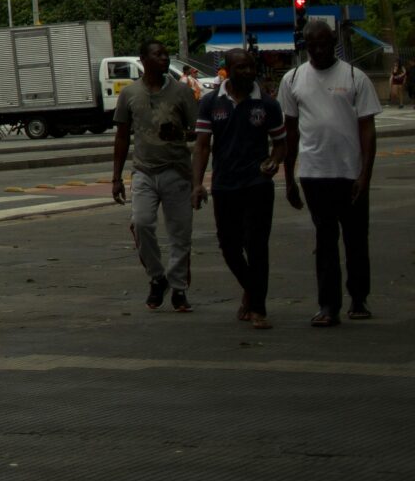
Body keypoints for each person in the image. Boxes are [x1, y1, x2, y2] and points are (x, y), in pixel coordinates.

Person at [279, 18, 381, 325]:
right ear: (305, 45)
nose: (319, 50)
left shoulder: (355, 76)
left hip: (350, 173)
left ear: (334, 42)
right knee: (324, 241)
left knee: (355, 239)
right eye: (313, 45)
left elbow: (368, 130)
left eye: (325, 44)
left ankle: (359, 297)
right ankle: (328, 305)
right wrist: (288, 179)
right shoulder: (293, 79)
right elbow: (291, 132)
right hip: (314, 173)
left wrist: (365, 174)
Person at [193, 45, 285, 328]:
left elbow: (280, 143)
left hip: (256, 183)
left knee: (256, 245)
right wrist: (197, 183)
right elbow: (202, 145)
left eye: (249, 66)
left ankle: (258, 307)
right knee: (229, 246)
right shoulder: (211, 102)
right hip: (224, 184)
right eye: (240, 67)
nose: (246, 71)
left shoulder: (267, 103)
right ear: (227, 71)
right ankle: (252, 289)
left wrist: (274, 160)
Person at [113, 37, 201, 311]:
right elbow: (122, 136)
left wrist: (181, 134)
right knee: (141, 223)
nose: (164, 58)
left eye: (165, 54)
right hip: (143, 171)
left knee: (180, 234)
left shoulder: (182, 93)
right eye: (158, 54)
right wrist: (116, 177)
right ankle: (157, 277)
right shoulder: (130, 94)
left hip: (176, 170)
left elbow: (199, 132)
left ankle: (178, 288)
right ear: (144, 60)